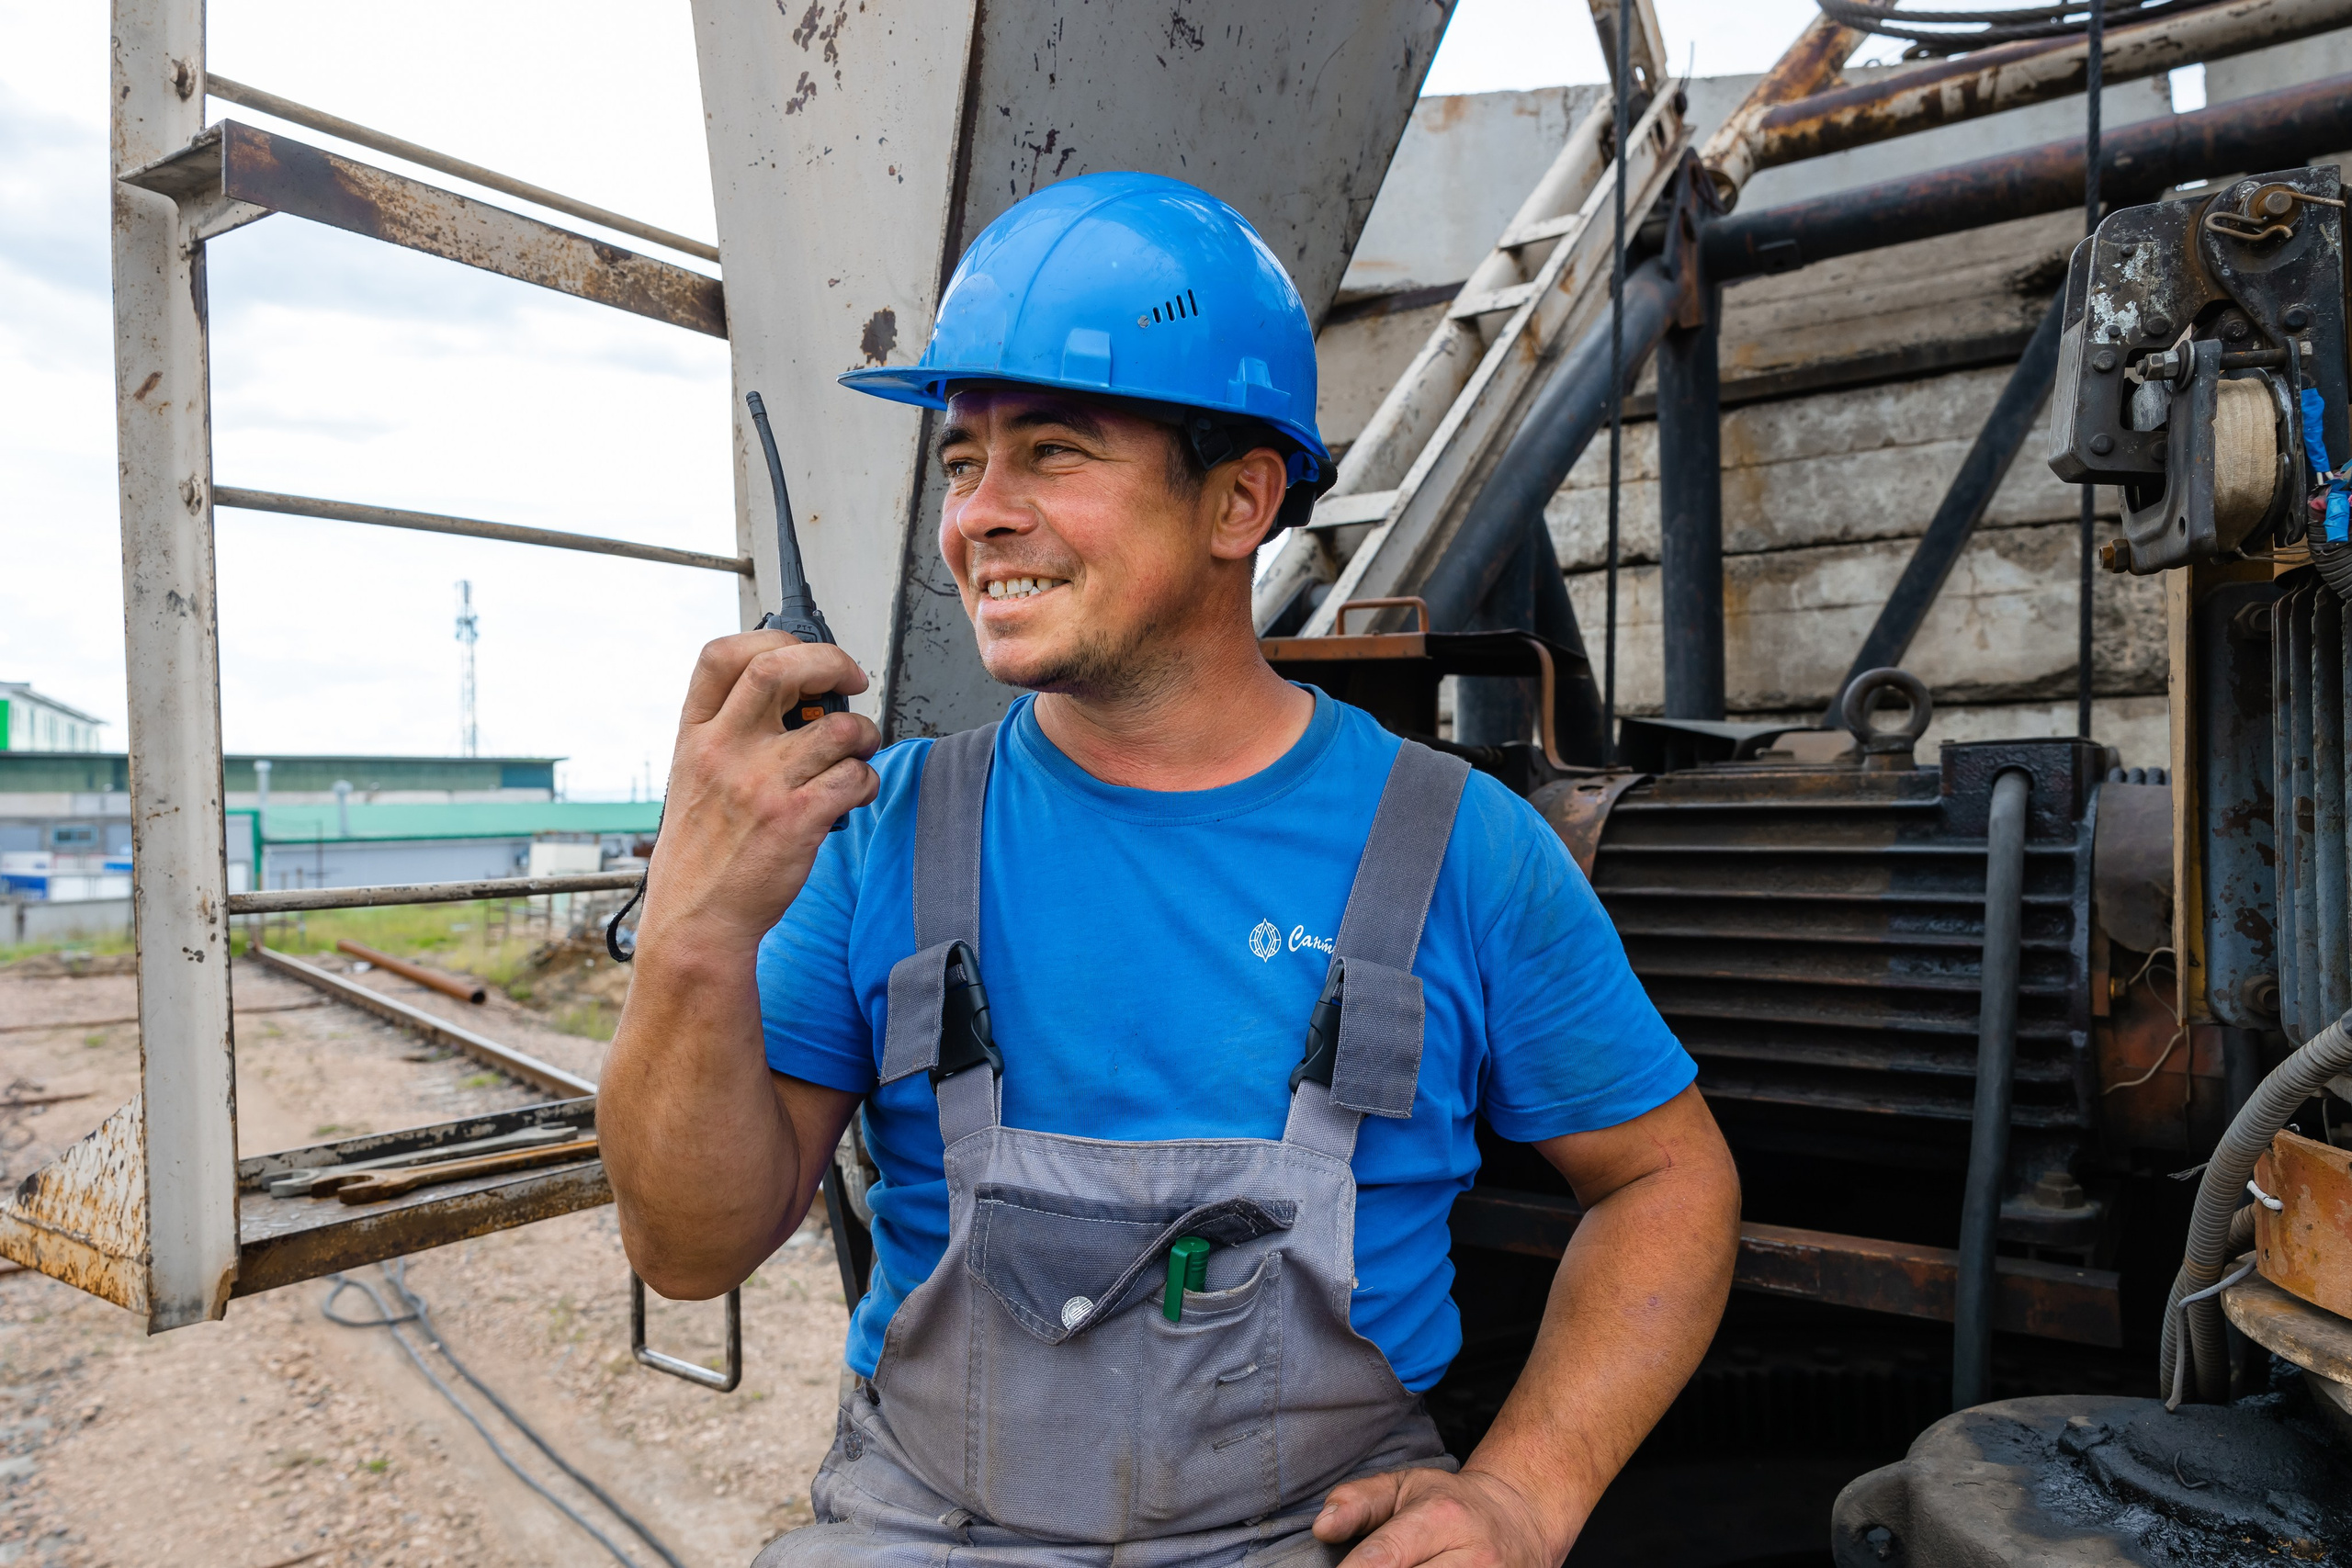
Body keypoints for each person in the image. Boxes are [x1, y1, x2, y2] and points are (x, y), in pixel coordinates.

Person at [601, 171, 1742, 1568]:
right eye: (964, 462)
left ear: (1240, 501)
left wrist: (1523, 1492)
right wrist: (692, 938)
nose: (979, 517)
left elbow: (1667, 1185)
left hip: (1313, 1535)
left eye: (1056, 452)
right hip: (930, 1529)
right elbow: (689, 1248)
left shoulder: (1461, 850)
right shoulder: (876, 830)